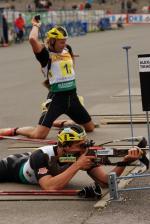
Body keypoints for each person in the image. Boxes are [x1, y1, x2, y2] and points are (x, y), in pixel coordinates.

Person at [0, 19, 95, 139]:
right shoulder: (45, 55)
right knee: (39, 135)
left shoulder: (67, 49)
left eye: (65, 41)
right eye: (61, 42)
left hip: (72, 97)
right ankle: (14, 130)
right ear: (52, 41)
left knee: (90, 128)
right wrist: (36, 25)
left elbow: (71, 63)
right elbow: (32, 39)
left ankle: (63, 123)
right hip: (56, 99)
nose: (64, 44)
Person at [0, 124, 143, 191]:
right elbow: (49, 187)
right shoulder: (42, 155)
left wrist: (124, 162)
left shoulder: (81, 154)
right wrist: (77, 165)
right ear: (66, 146)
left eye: (85, 144)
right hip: (11, 166)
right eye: (80, 145)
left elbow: (107, 183)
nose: (84, 149)